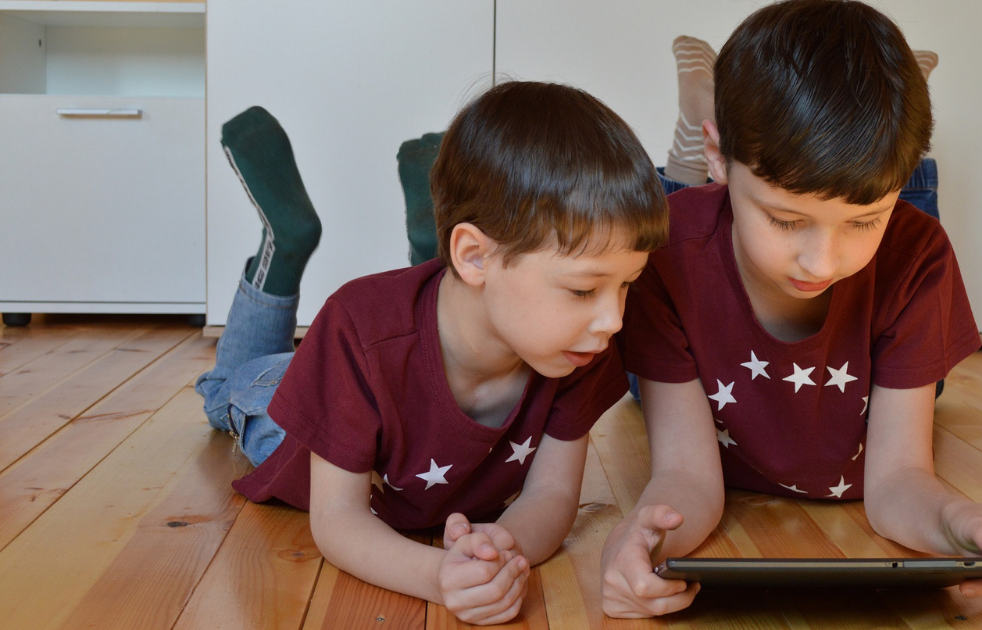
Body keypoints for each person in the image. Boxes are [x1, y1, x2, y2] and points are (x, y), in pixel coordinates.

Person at [601, 0, 982, 618]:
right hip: (697, 329)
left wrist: (960, 521)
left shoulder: (916, 258)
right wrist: (645, 540)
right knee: (664, 213)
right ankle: (702, 124)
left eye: (862, 221)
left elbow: (896, 480)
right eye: (786, 219)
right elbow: (688, 476)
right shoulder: (667, 258)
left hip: (860, 344)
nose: (820, 262)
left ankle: (882, 130)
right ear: (721, 156)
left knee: (906, 219)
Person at [194, 81, 668, 625]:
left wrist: (497, 552)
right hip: (303, 402)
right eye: (583, 290)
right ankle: (284, 244)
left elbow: (553, 496)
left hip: (413, 352)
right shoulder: (356, 328)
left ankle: (429, 257)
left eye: (627, 284)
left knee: (417, 334)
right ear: (476, 256)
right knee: (228, 386)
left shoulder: (577, 344)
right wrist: (437, 576)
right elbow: (337, 518)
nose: (613, 320)